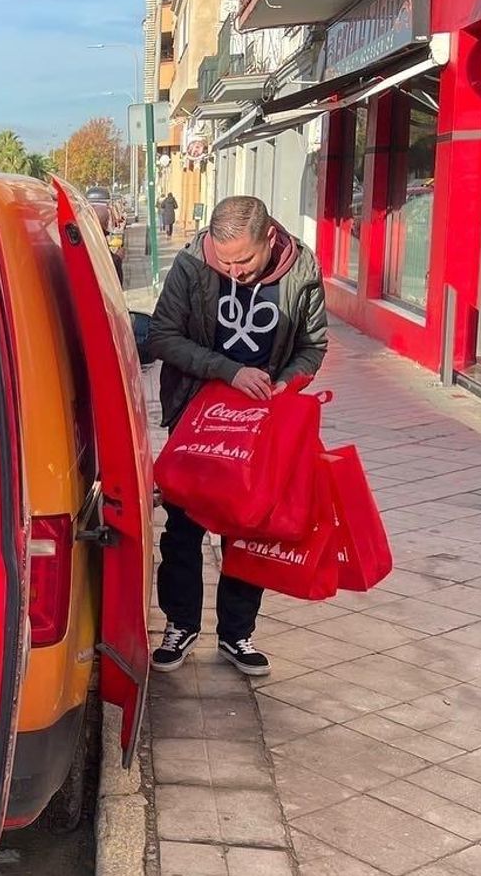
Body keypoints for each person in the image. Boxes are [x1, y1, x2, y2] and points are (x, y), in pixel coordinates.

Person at [146, 195, 327, 677]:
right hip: (196, 417)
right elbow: (162, 335)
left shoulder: (301, 267)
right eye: (223, 260)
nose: (233, 271)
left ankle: (237, 634)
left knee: (247, 531)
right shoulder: (191, 264)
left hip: (260, 424)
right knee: (183, 529)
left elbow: (313, 345)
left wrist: (286, 384)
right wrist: (228, 371)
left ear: (270, 238)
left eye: (244, 260)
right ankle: (179, 624)